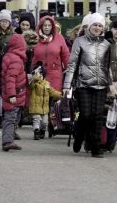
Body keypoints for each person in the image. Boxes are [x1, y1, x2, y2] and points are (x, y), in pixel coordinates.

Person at [63, 13, 111, 158]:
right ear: (89, 26)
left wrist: (111, 86)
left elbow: (107, 67)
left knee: (97, 116)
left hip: (101, 85)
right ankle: (79, 136)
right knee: (85, 115)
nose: (97, 28)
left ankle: (95, 146)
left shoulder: (107, 44)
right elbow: (72, 64)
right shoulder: (80, 41)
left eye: (100, 25)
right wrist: (66, 84)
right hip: (83, 84)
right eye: (94, 25)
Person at [1, 33, 29, 151]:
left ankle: (9, 139)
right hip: (15, 94)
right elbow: (10, 78)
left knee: (12, 117)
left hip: (11, 93)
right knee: (10, 118)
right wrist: (12, 94)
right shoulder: (16, 60)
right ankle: (8, 141)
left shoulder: (9, 56)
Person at [31, 15, 70, 93]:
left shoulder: (59, 38)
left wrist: (68, 73)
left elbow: (66, 56)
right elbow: (31, 57)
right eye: (45, 25)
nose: (47, 27)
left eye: (49, 25)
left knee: (54, 99)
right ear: (41, 26)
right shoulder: (35, 38)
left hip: (55, 75)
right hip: (38, 75)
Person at [27, 63, 61, 140]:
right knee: (36, 120)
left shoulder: (46, 84)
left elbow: (53, 92)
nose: (40, 77)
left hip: (44, 108)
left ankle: (42, 131)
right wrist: (35, 77)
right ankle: (36, 132)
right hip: (36, 107)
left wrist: (61, 95)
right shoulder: (33, 84)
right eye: (38, 74)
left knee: (44, 122)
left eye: (41, 75)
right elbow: (31, 85)